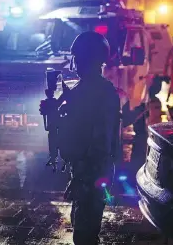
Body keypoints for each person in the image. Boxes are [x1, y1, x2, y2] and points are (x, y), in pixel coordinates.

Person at [40, 31, 120, 245]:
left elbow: (99, 139)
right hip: (85, 169)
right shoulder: (85, 88)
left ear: (85, 59)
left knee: (85, 232)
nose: (73, 62)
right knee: (81, 224)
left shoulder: (99, 91)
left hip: (91, 170)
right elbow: (72, 122)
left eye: (76, 57)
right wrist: (54, 111)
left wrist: (85, 176)